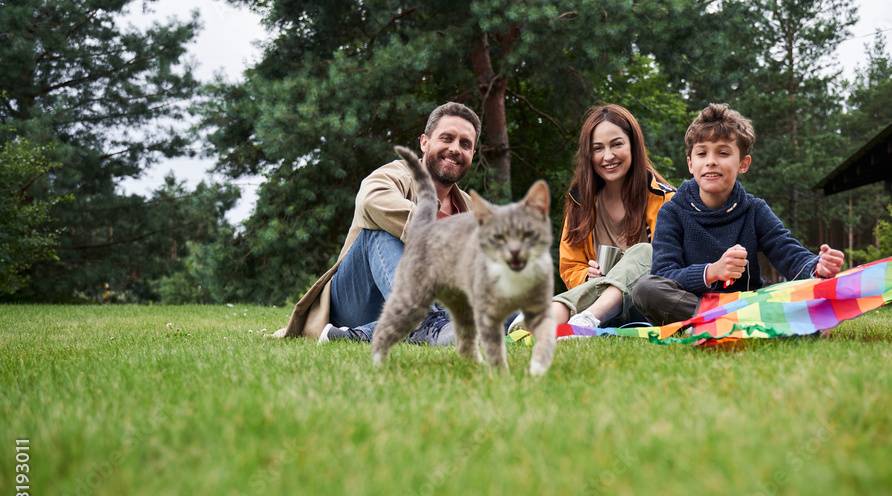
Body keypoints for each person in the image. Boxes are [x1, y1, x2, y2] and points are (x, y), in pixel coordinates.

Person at [268, 102, 482, 343]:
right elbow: (370, 200)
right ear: (424, 142)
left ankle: (362, 335)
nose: (455, 149)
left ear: (472, 155)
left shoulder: (470, 210)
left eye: (465, 144)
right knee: (380, 228)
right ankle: (422, 322)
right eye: (446, 138)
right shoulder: (395, 175)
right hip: (357, 302)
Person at [632, 103, 845, 326]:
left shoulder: (754, 209)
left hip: (744, 302)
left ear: (743, 164)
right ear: (691, 164)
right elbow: (664, 274)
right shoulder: (672, 211)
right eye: (702, 153)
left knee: (794, 290)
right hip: (692, 305)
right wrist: (712, 271)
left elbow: (788, 252)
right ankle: (740, 322)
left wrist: (817, 267)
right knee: (646, 289)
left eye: (723, 153)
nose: (711, 161)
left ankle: (734, 321)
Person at [509, 104, 674, 335]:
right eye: (598, 148)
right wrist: (587, 276)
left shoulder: (667, 200)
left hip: (647, 304)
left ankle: (576, 318)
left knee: (645, 252)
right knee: (600, 285)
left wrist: (633, 269)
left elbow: (674, 266)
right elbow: (570, 265)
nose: (608, 156)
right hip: (598, 302)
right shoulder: (580, 204)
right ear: (589, 155)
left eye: (617, 144)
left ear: (633, 146)